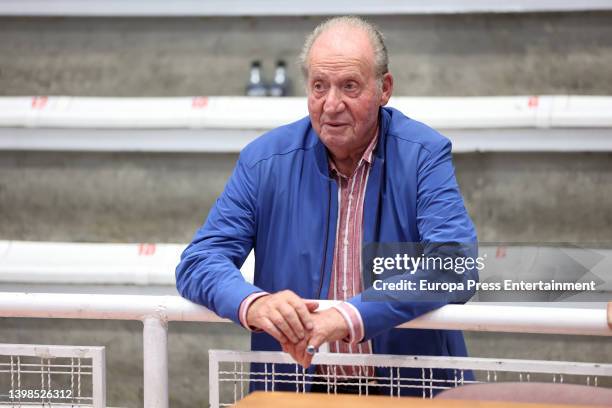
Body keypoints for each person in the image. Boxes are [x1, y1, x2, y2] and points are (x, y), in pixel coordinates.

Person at [176, 16, 478, 396]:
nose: (331, 104)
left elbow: (454, 265)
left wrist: (348, 317)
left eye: (349, 86)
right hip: (295, 388)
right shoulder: (263, 161)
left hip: (411, 390)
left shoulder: (423, 154)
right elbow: (200, 260)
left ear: (384, 88)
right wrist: (252, 303)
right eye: (319, 86)